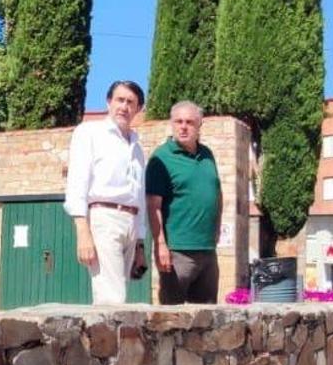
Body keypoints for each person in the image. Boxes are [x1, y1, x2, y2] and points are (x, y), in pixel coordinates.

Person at [64, 80, 148, 305]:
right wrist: (83, 231)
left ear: (138, 108)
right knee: (111, 296)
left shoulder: (137, 148)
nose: (124, 106)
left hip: (130, 220)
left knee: (120, 289)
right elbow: (77, 182)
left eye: (131, 102)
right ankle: (112, 340)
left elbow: (138, 196)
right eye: (120, 100)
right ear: (108, 102)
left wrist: (140, 244)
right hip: (103, 217)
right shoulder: (90, 133)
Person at [146, 101, 223, 303]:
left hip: (207, 251)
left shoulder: (207, 155)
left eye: (189, 122)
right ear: (172, 124)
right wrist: (160, 244)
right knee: (172, 319)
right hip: (177, 252)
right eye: (178, 121)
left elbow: (216, 193)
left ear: (199, 125)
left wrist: (217, 228)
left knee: (207, 319)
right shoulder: (161, 158)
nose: (183, 126)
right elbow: (153, 205)